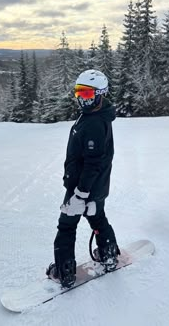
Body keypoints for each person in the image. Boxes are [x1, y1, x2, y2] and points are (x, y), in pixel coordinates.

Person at [46, 69, 120, 288]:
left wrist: (79, 195)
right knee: (98, 219)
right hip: (95, 188)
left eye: (87, 94)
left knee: (66, 226)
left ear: (100, 94)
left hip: (83, 188)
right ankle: (108, 255)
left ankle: (64, 272)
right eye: (79, 92)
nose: (81, 98)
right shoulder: (94, 116)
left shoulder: (95, 123)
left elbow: (92, 163)